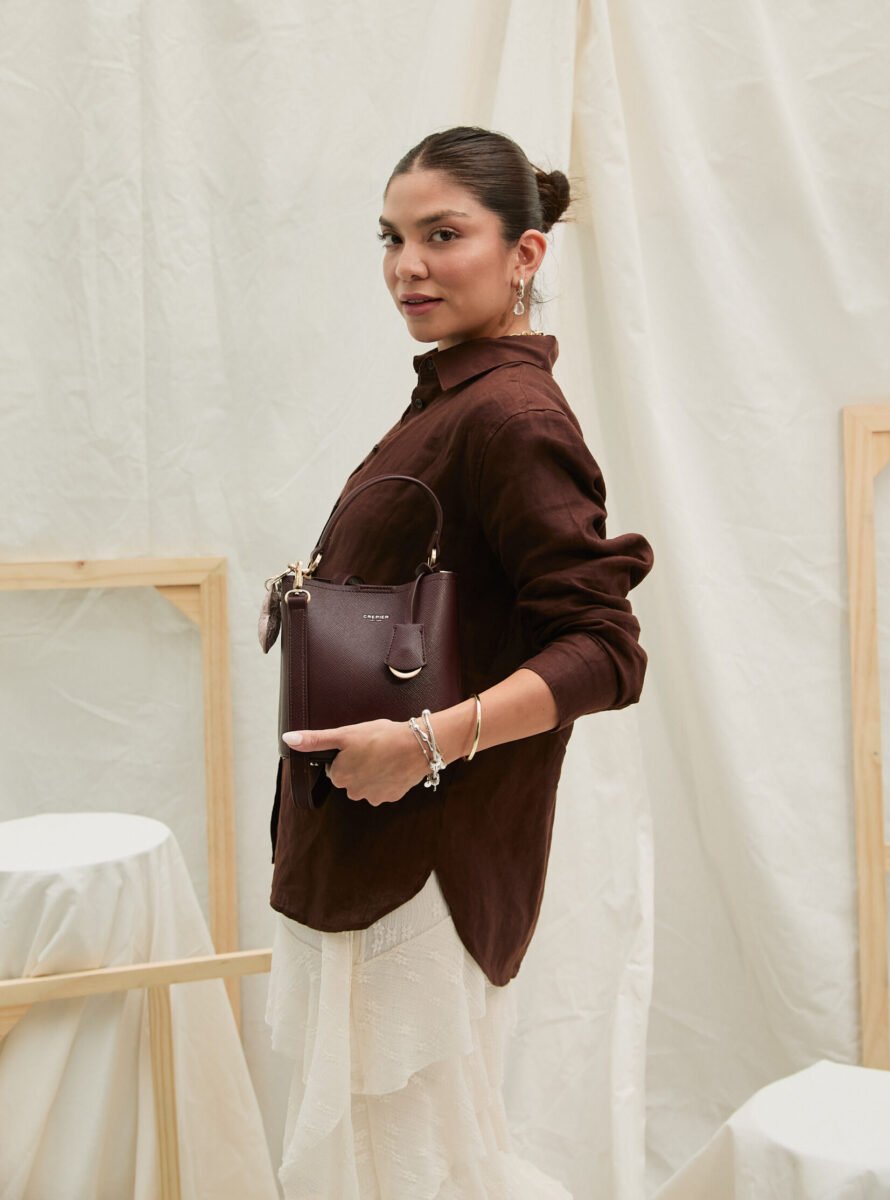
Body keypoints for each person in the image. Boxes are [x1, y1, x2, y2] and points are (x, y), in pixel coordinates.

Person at [264, 125, 654, 1199]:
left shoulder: (510, 415)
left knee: (411, 1170)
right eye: (391, 238)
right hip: (366, 849)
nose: (408, 265)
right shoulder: (450, 399)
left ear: (524, 254)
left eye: (443, 235)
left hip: (420, 867)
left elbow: (604, 649)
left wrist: (425, 743)